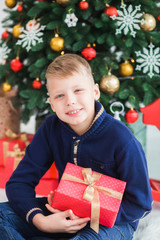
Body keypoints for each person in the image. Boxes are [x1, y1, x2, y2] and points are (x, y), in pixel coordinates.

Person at [0, 54, 152, 240]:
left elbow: (140, 204)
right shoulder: (50, 129)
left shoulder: (122, 139)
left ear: (95, 92)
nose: (70, 101)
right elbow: (19, 182)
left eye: (78, 90)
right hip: (65, 211)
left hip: (111, 222)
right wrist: (41, 221)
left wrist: (86, 213)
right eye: (60, 95)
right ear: (52, 104)